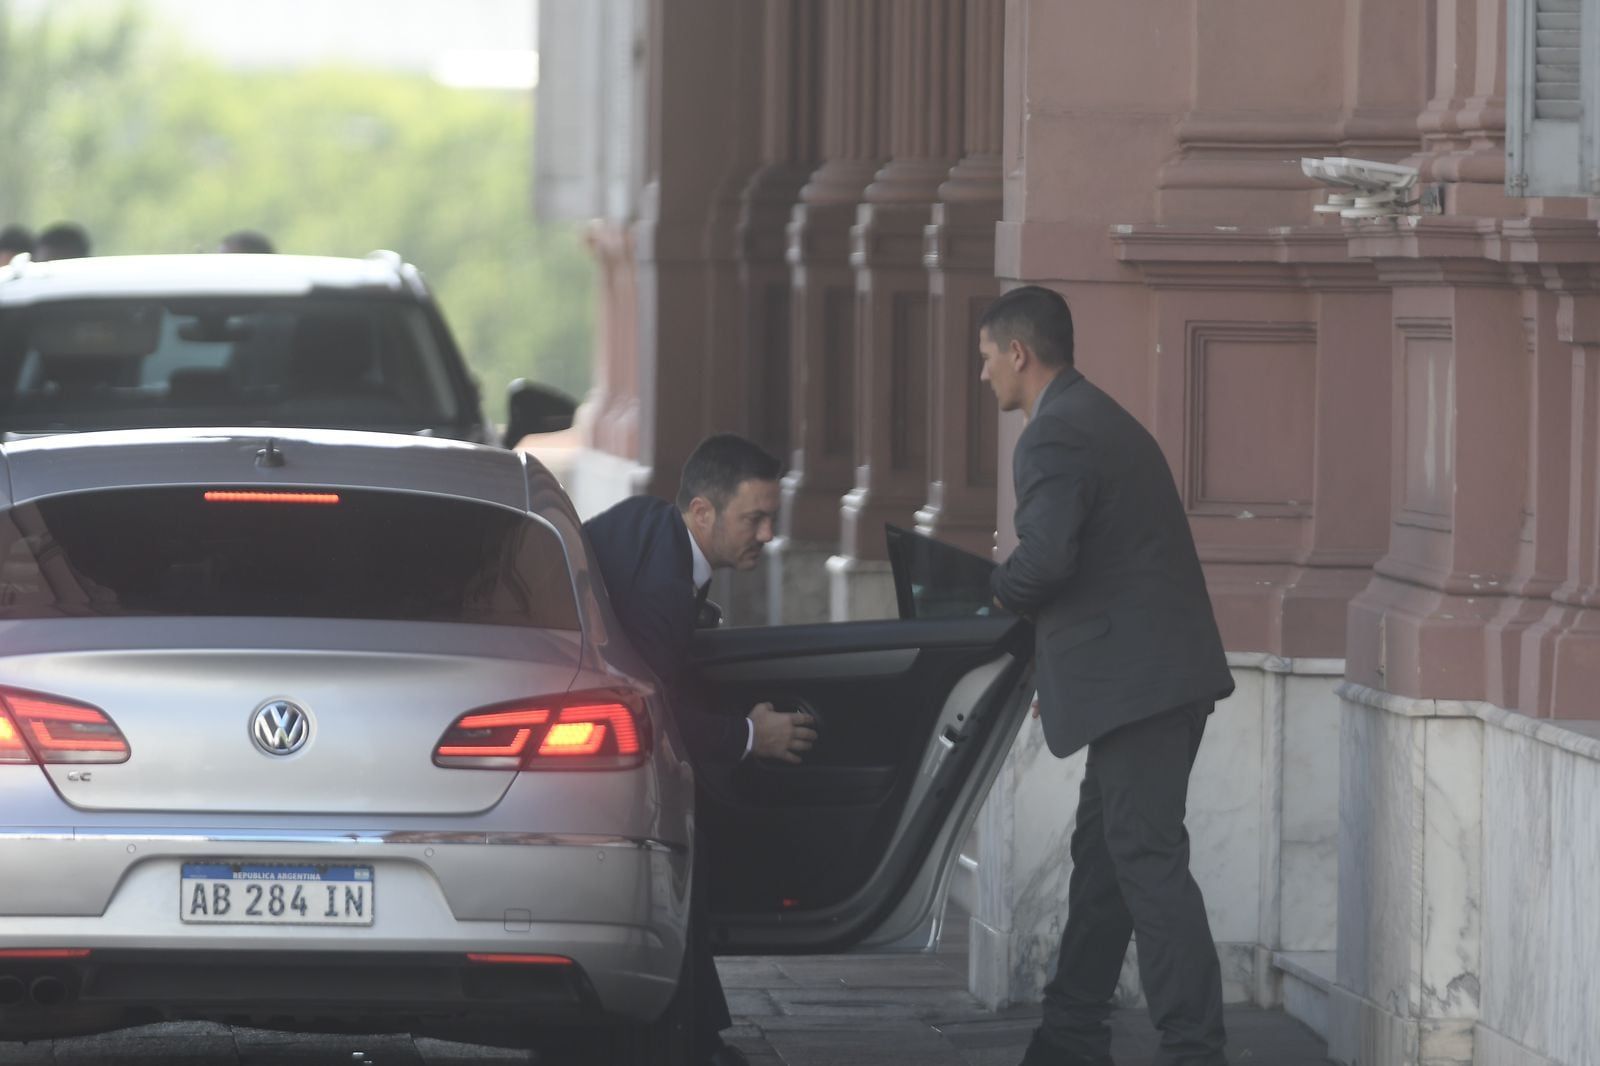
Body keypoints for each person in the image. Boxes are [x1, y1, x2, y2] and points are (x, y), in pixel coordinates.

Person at [980, 285, 1234, 1066]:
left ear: (1019, 353)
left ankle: (1194, 1050)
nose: (984, 374)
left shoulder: (1053, 436)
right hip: (1151, 684)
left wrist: (1000, 583)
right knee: (1106, 859)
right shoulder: (1092, 417)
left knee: (1147, 861)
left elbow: (1049, 559)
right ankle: (1069, 1033)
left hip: (1143, 691)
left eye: (987, 358)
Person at [582, 433, 817, 1066]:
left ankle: (697, 1036)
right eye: (755, 518)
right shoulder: (663, 585)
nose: (767, 534)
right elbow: (655, 713)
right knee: (680, 856)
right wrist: (750, 735)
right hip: (594, 765)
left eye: (772, 518)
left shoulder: (649, 523)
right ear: (704, 513)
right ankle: (689, 1042)